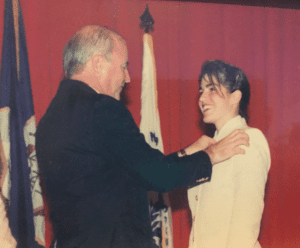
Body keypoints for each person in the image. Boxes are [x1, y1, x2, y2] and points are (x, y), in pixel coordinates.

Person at [36, 26, 249, 248]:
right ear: (98, 63)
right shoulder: (102, 109)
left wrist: (188, 151)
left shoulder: (48, 121)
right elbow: (157, 176)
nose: (127, 78)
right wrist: (212, 154)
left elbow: (128, 172)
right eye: (123, 67)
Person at [188, 60, 271, 248]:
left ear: (235, 97)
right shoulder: (207, 149)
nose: (202, 98)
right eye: (201, 90)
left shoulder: (249, 139)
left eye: (211, 89)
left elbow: (245, 225)